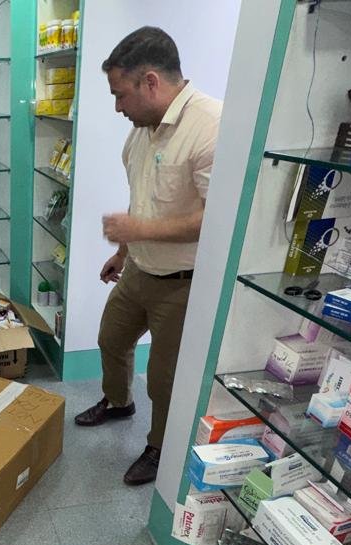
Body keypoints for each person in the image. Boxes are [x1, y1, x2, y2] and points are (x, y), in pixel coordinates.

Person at [74, 27, 221, 487]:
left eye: (120, 94)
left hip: (183, 282)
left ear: (151, 82)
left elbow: (218, 218)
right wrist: (125, 250)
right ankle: (119, 403)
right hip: (139, 269)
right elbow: (144, 200)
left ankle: (161, 447)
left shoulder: (211, 126)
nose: (117, 107)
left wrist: (138, 231)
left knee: (164, 378)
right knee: (111, 338)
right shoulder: (141, 131)